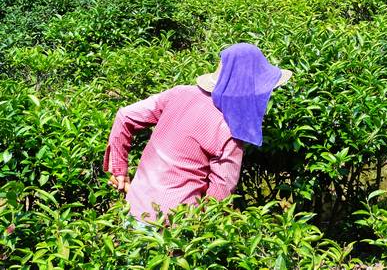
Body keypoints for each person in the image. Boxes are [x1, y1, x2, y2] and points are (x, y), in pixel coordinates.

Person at [103, 43, 292, 223]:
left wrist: (120, 170)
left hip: (134, 207)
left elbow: (124, 115)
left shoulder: (178, 93)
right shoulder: (228, 129)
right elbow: (218, 198)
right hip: (173, 227)